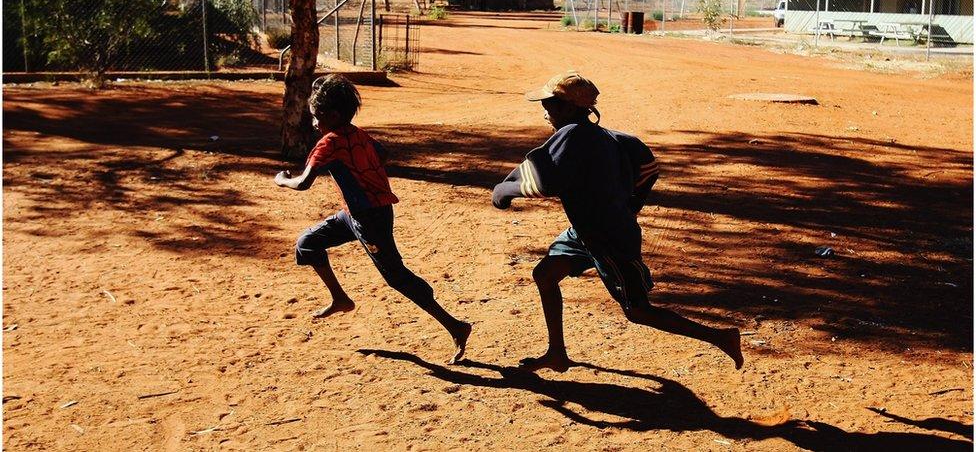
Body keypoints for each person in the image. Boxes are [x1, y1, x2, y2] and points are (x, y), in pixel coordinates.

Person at [491, 71, 743, 372]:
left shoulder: (572, 135)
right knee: (545, 275)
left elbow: (544, 179)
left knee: (637, 311)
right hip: (587, 232)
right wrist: (627, 205)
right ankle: (557, 354)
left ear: (570, 108)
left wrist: (503, 191)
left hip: (609, 239)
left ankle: (721, 337)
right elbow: (648, 169)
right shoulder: (611, 136)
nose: (546, 111)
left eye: (551, 104)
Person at [275, 74, 471, 364]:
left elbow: (303, 182)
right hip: (360, 214)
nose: (315, 123)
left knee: (396, 276)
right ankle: (340, 299)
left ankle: (455, 326)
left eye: (317, 117)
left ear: (333, 115)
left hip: (369, 219)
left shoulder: (330, 143)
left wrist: (283, 180)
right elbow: (383, 153)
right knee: (307, 243)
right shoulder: (358, 134)